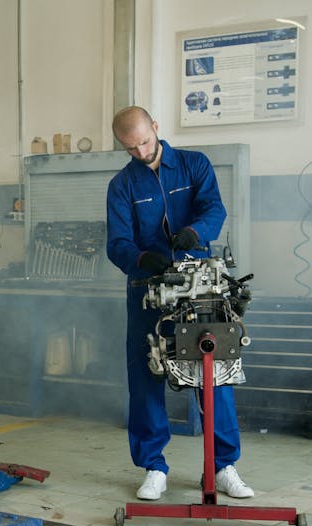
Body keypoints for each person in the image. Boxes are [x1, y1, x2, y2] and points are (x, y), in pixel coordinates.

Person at [104, 105, 254, 501]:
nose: (141, 152)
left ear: (156, 127)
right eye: (131, 148)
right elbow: (117, 243)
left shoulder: (194, 165)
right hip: (148, 290)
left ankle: (223, 466)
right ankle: (154, 467)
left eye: (145, 142)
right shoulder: (122, 185)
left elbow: (214, 209)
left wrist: (195, 232)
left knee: (215, 372)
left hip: (200, 287)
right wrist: (142, 259)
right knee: (146, 377)